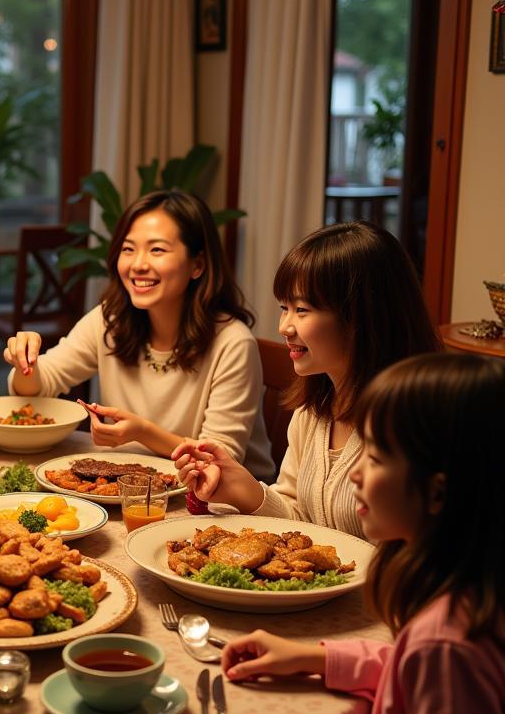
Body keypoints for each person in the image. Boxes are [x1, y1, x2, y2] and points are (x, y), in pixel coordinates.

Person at [221, 353, 505, 714]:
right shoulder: (467, 596)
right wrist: (317, 658)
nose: (354, 473)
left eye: (373, 458)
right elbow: (409, 672)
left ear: (437, 493)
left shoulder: (446, 643)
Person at [173, 221, 441, 537]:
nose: (284, 326)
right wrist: (243, 489)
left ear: (361, 317)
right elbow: (299, 517)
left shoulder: (414, 422)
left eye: (302, 309)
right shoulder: (312, 413)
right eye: (284, 308)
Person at [4, 189, 274, 479]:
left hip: (226, 508)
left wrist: (142, 432)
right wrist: (26, 363)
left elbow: (219, 461)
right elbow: (41, 384)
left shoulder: (232, 343)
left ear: (198, 264)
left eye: (157, 250)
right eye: (128, 249)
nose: (138, 264)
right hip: (137, 488)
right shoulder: (110, 320)